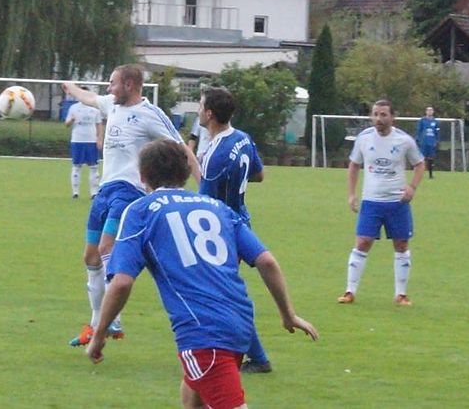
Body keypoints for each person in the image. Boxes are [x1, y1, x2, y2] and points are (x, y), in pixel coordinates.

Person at [86, 140, 318, 409]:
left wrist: (99, 335)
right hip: (240, 323)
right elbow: (266, 261)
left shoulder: (140, 211)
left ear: (142, 176)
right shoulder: (217, 207)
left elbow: (122, 282)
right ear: (186, 172)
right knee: (192, 395)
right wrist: (288, 314)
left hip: (203, 334)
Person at [62, 65, 201, 347]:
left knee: (106, 248)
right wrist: (70, 87)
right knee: (90, 257)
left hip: (129, 191)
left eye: (112, 83)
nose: (108, 88)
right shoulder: (111, 104)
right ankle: (97, 323)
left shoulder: (150, 114)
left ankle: (113, 318)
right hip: (105, 191)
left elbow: (181, 149)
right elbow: (89, 98)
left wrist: (203, 185)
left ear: (128, 84)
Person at [196, 87, 271, 373]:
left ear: (209, 114)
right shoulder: (243, 138)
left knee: (222, 293)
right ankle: (246, 354)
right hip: (241, 219)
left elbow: (204, 205)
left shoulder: (214, 155)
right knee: (223, 291)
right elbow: (259, 175)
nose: (198, 111)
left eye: (200, 106)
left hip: (222, 231)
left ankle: (255, 357)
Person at [338, 99, 425, 306]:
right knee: (362, 242)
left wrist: (412, 187)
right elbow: (354, 165)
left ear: (392, 117)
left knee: (401, 244)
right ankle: (349, 291)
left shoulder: (404, 140)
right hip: (371, 201)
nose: (379, 118)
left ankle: (401, 294)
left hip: (397, 202)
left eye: (383, 114)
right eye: (375, 114)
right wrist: (352, 194)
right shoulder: (364, 138)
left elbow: (420, 164)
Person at [64, 98, 103, 199]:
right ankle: (75, 192)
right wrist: (72, 120)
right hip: (77, 140)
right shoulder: (74, 108)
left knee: (93, 167)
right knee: (76, 166)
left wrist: (99, 139)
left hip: (91, 141)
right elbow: (66, 124)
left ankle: (94, 193)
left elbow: (99, 125)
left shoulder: (95, 109)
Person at [415, 106, 439, 179]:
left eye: (431, 110)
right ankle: (419, 174)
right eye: (428, 110)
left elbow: (437, 132)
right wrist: (418, 139)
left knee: (431, 159)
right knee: (421, 159)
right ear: (426, 112)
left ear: (433, 112)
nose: (429, 112)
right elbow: (419, 130)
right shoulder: (422, 120)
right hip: (424, 142)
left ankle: (430, 175)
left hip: (432, 143)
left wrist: (437, 140)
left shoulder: (435, 121)